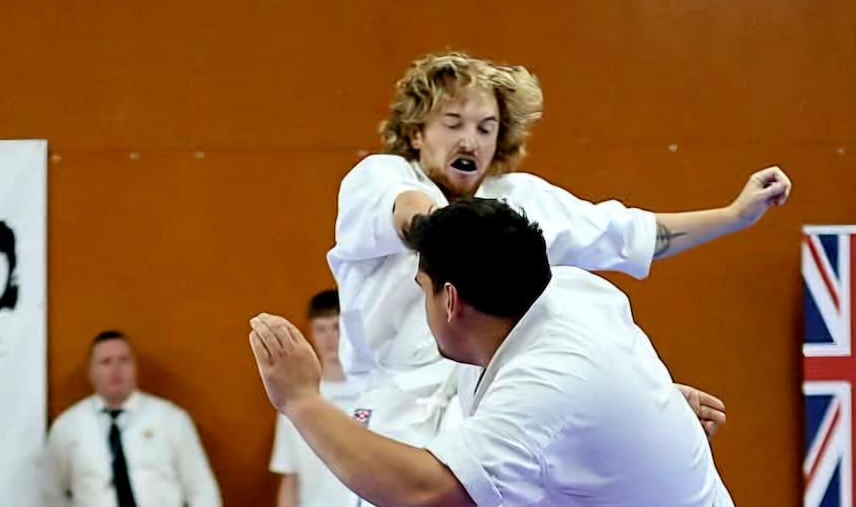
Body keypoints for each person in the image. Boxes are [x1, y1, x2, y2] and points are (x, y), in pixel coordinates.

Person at [328, 50, 789, 449]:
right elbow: (411, 215)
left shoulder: (519, 199)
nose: (470, 140)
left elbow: (626, 233)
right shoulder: (381, 177)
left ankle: (641, 409)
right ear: (415, 134)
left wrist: (733, 216)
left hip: (494, 404)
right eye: (453, 124)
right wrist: (458, 230)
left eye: (486, 128)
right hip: (395, 413)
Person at [250, 198, 735, 506]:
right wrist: (640, 414)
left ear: (451, 300)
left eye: (423, 289)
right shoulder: (572, 290)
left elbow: (426, 491)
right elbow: (601, 384)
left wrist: (302, 401)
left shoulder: (544, 387)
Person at [41, 331, 221, 507]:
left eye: (124, 360)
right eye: (106, 362)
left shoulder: (171, 419)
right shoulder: (68, 427)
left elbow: (200, 489)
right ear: (91, 372)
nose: (116, 370)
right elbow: (51, 493)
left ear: (135, 367)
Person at [269, 290, 359, 507]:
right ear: (311, 333)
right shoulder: (295, 397)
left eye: (337, 327)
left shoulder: (374, 393)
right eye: (321, 329)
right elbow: (290, 476)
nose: (330, 338)